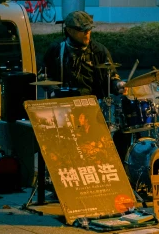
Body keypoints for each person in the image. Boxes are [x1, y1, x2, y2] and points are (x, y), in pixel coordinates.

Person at [40, 11, 130, 160]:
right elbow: (43, 75)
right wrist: (54, 91)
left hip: (94, 108)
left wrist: (118, 84)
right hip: (65, 109)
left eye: (89, 30)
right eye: (83, 31)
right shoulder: (56, 50)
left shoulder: (99, 50)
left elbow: (111, 77)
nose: (87, 34)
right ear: (69, 30)